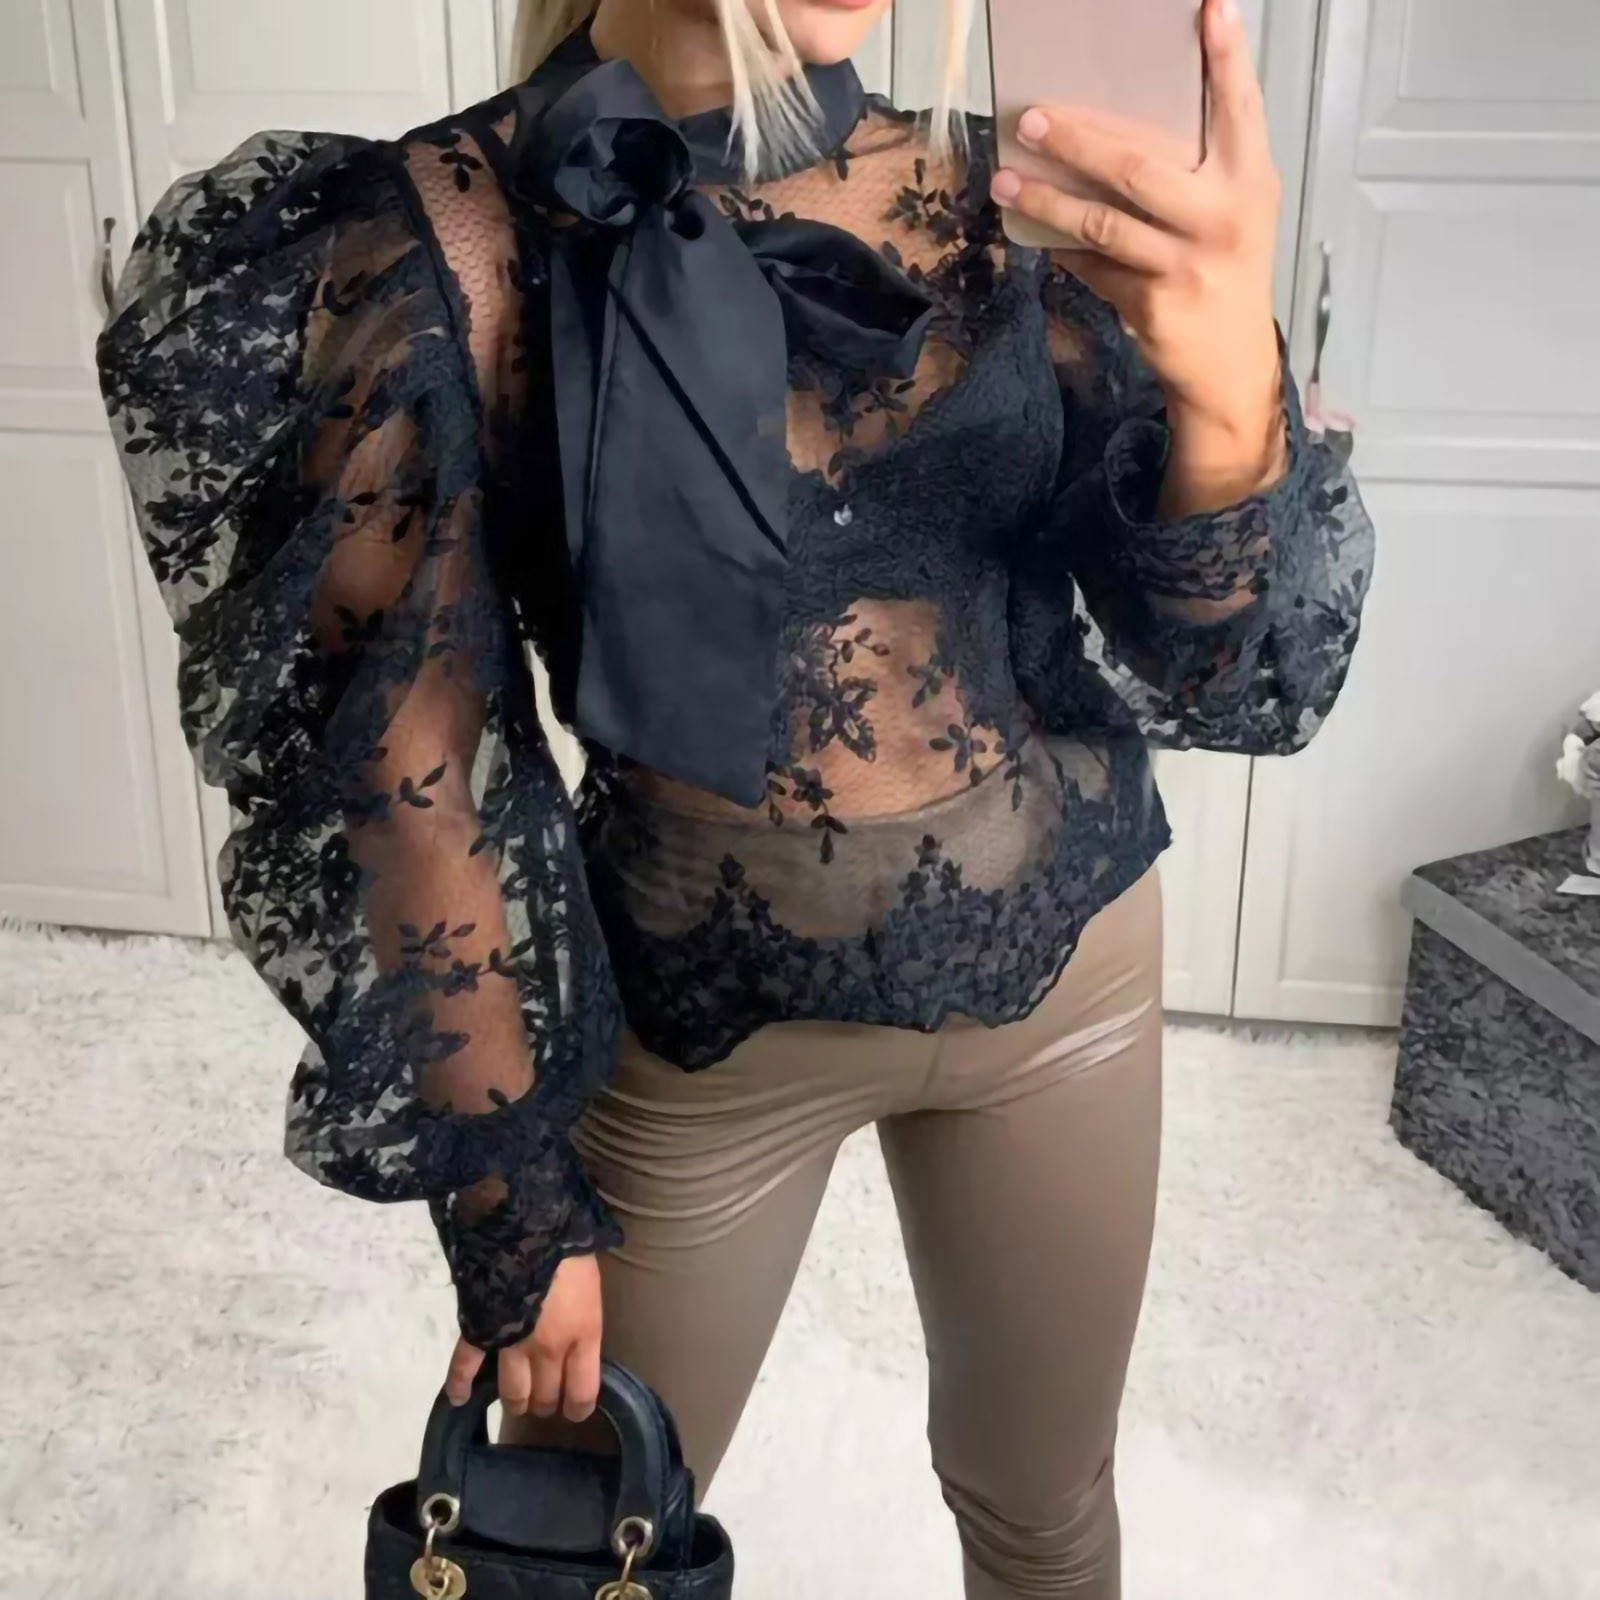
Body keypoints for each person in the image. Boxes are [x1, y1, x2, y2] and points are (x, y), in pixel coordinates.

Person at [98, 0, 1372, 1589]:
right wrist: (512, 1205)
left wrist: (1233, 395)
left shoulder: (1014, 194)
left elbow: (1235, 677)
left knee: (1045, 1507)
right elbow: (411, 769)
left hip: (1072, 974)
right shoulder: (437, 240)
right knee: (579, 1554)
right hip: (702, 1035)